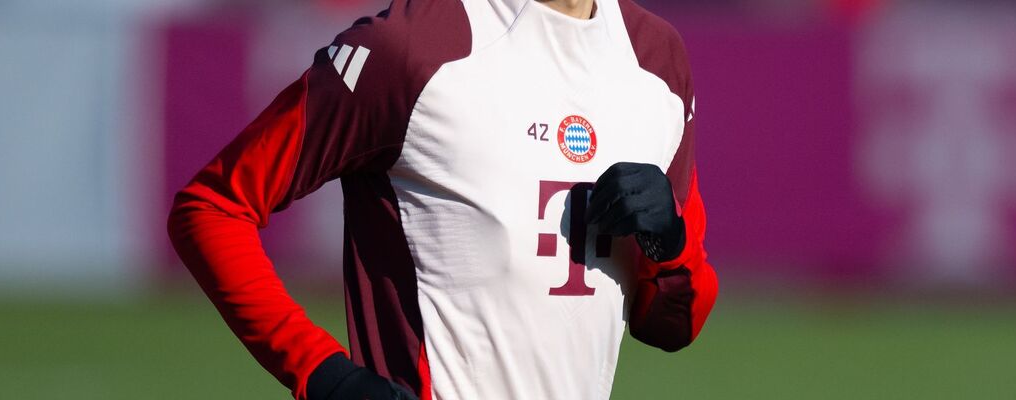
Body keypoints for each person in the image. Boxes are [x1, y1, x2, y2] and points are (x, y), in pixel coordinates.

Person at [167, 0, 717, 398]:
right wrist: (325, 375)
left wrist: (668, 244)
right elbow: (212, 207)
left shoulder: (658, 62)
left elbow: (673, 326)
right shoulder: (415, 48)